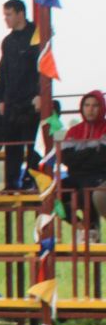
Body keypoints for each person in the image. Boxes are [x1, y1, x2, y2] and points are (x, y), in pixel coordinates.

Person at [0, 0, 41, 192]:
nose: (6, 19)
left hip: (32, 100)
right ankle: (10, 182)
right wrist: (0, 99)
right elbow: (2, 71)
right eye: (5, 15)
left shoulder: (38, 34)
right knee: (12, 146)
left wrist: (41, 94)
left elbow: (44, 67)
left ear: (20, 14)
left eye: (9, 14)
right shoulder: (7, 41)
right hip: (11, 101)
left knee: (32, 143)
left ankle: (31, 180)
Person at [58, 90, 106, 243]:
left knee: (88, 192)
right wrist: (91, 151)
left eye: (95, 105)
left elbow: (102, 160)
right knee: (51, 194)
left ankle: (92, 230)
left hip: (99, 176)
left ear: (102, 108)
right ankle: (81, 227)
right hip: (74, 176)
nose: (90, 109)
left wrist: (80, 157)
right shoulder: (73, 131)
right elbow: (65, 158)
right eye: (87, 105)